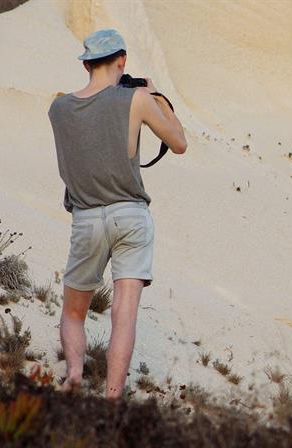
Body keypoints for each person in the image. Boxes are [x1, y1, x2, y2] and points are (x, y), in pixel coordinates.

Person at [48, 29, 187, 399]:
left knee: (74, 310)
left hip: (87, 217)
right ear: (122, 60)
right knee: (124, 312)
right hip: (130, 214)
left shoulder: (58, 108)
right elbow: (179, 143)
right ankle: (112, 395)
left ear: (85, 62)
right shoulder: (137, 98)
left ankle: (75, 374)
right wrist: (157, 96)